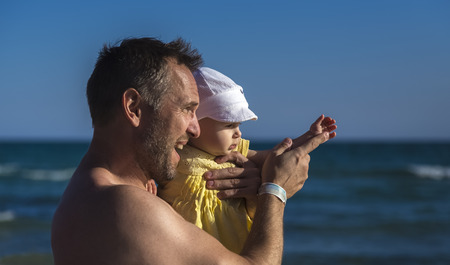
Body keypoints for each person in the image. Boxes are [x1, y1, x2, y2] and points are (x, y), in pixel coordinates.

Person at [51, 37, 333, 265]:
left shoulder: (83, 196)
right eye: (187, 109)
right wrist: (275, 191)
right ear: (134, 108)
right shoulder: (125, 206)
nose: (196, 129)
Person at [158, 67, 337, 253]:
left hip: (237, 248)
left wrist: (308, 136)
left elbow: (274, 157)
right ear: (196, 123)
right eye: (229, 125)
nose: (238, 133)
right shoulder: (175, 154)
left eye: (238, 125)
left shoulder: (235, 154)